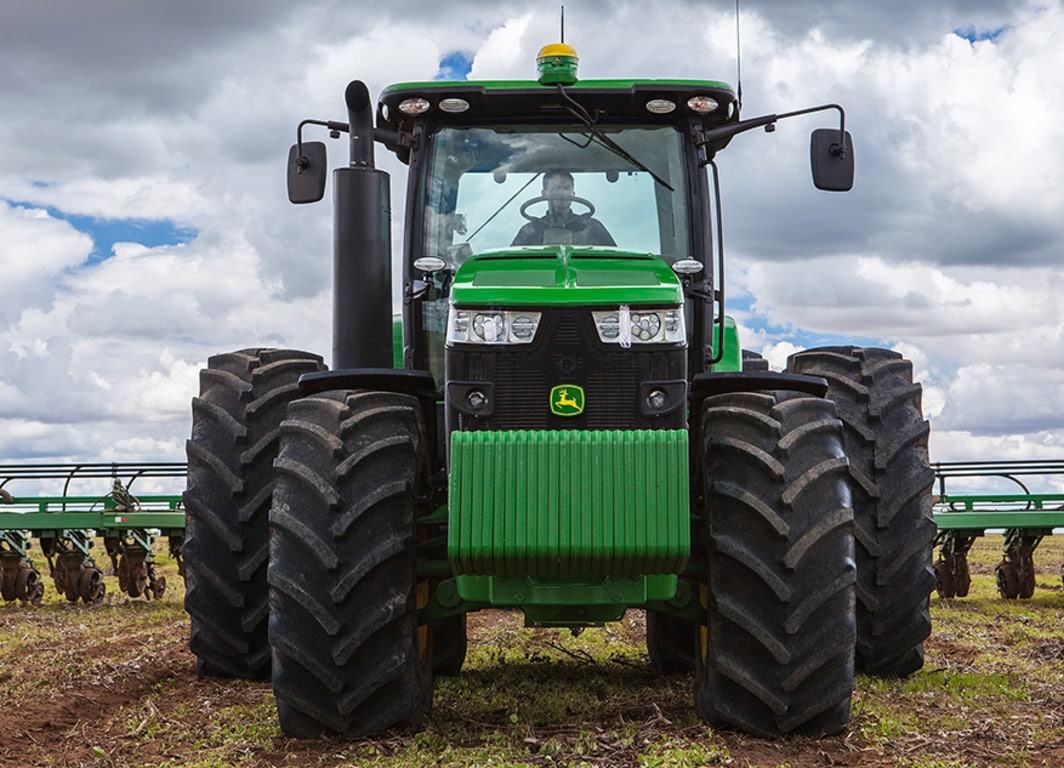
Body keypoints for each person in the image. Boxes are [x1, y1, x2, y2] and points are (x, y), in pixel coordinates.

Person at [511, 170, 616, 246]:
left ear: (573, 193)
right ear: (544, 193)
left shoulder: (592, 228)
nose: (562, 193)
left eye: (566, 188)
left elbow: (616, 262)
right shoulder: (530, 231)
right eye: (556, 188)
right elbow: (511, 265)